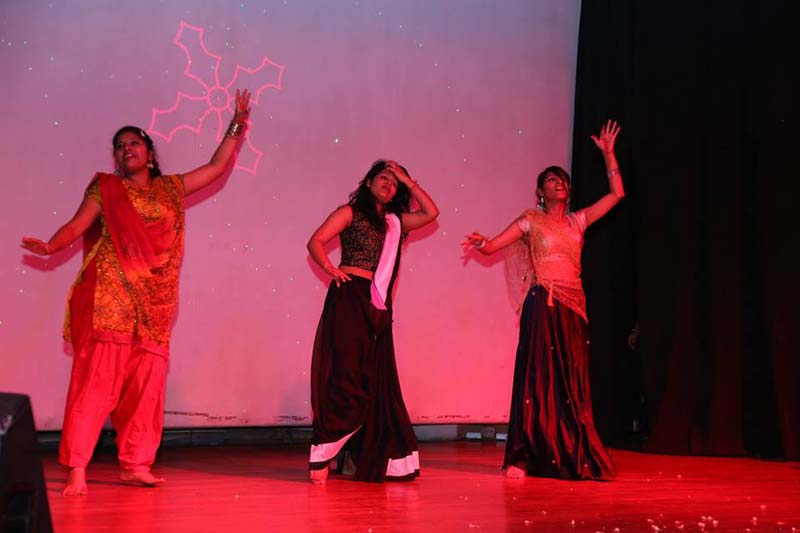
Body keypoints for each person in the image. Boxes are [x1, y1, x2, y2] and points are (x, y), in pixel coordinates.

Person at [21, 89, 251, 495]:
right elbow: (76, 225)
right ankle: (77, 468)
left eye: (133, 142)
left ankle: (136, 463)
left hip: (156, 302)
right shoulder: (106, 190)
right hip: (110, 296)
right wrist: (52, 245)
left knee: (145, 386)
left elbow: (216, 167)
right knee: (96, 382)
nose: (126, 149)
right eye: (119, 146)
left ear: (150, 153)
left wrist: (238, 123)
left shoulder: (172, 189)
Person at [463, 120, 624, 480]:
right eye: (552, 179)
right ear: (540, 191)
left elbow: (616, 195)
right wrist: (481, 242)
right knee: (537, 378)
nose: (559, 183)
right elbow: (492, 246)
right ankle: (523, 456)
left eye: (563, 179)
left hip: (573, 307)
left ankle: (573, 450)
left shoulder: (578, 221)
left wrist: (609, 154)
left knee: (572, 382)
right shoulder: (531, 221)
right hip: (543, 303)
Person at [306, 160, 439, 484]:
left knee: (374, 378)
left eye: (394, 183)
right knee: (346, 373)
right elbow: (315, 241)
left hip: (377, 304)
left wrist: (407, 179)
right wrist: (329, 268)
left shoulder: (395, 222)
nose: (389, 184)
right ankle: (324, 448)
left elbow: (431, 212)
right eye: (383, 178)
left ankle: (359, 455)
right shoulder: (349, 212)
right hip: (349, 296)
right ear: (368, 182)